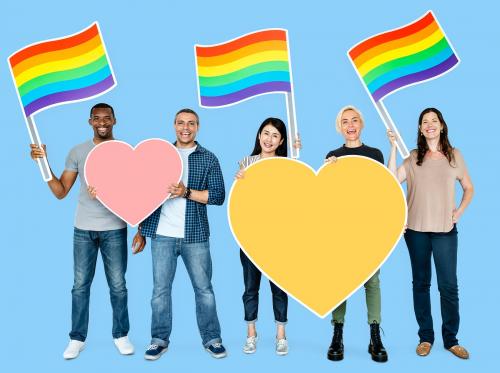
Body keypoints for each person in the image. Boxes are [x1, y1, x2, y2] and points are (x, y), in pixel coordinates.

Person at [29, 103, 134, 359]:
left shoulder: (124, 151)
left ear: (114, 120)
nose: (102, 122)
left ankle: (121, 335)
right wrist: (43, 164)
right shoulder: (78, 151)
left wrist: (111, 192)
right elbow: (60, 192)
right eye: (97, 119)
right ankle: (77, 339)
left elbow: (134, 195)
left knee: (118, 286)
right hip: (83, 230)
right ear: (90, 122)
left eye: (107, 118)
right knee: (79, 286)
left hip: (115, 229)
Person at [132, 108, 226, 360]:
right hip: (161, 235)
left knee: (204, 289)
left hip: (195, 236)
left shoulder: (208, 158)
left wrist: (186, 192)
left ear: (198, 127)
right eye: (181, 123)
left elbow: (217, 196)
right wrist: (141, 230)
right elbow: (145, 195)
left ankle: (212, 339)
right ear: (173, 125)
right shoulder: (159, 155)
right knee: (160, 291)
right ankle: (159, 340)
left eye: (191, 123)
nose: (186, 127)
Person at [387, 108, 474, 359]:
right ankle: (425, 337)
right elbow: (391, 181)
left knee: (448, 286)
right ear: (420, 129)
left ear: (442, 126)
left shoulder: (454, 156)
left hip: (445, 232)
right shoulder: (413, 157)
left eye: (434, 121)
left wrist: (459, 211)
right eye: (424, 122)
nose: (429, 125)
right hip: (415, 232)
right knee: (421, 284)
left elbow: (469, 188)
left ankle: (451, 339)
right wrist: (393, 147)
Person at [325, 105, 388, 363]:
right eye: (344, 121)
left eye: (354, 120)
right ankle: (337, 333)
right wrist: (329, 170)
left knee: (372, 282)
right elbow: (327, 198)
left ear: (361, 124)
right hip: (341, 230)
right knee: (341, 283)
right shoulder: (333, 155)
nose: (350, 125)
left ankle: (375, 336)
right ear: (339, 127)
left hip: (369, 229)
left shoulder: (374, 154)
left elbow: (382, 192)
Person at [235, 118, 300, 356]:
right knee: (250, 288)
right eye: (265, 133)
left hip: (278, 239)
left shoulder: (286, 165)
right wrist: (239, 182)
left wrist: (296, 165)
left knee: (279, 289)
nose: (269, 139)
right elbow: (239, 202)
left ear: (281, 141)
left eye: (274, 135)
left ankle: (281, 335)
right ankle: (251, 334)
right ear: (259, 135)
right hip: (250, 236)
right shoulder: (246, 163)